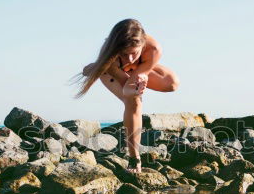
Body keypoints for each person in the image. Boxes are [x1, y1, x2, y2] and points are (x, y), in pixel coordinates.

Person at [76, 18, 179, 173]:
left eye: (134, 53)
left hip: (137, 67)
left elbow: (138, 76)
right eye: (125, 54)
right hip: (111, 68)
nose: (130, 58)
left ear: (143, 44)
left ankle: (128, 65)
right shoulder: (110, 52)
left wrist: (142, 73)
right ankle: (134, 157)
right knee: (134, 101)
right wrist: (136, 88)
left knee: (172, 83)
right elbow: (127, 90)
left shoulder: (154, 49)